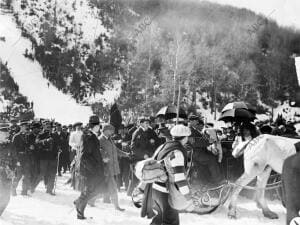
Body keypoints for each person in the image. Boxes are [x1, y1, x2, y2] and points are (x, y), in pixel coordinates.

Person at [148, 124, 194, 225]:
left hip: (155, 188)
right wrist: (188, 197)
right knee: (170, 221)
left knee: (159, 219)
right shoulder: (177, 152)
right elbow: (179, 179)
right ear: (185, 137)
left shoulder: (163, 146)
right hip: (167, 192)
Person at [74, 115, 107, 220]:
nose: (100, 127)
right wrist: (93, 169)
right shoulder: (89, 136)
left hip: (92, 168)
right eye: (99, 125)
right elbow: (84, 156)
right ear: (95, 126)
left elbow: (92, 152)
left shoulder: (91, 135)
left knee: (92, 189)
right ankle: (80, 211)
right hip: (89, 169)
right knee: (89, 190)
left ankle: (79, 202)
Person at [99, 124, 129, 211]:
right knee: (112, 186)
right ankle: (116, 206)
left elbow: (116, 150)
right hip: (106, 168)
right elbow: (98, 150)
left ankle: (98, 200)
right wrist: (103, 156)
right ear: (105, 130)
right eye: (111, 130)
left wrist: (125, 154)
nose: (112, 132)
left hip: (112, 166)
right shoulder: (100, 139)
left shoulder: (109, 139)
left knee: (102, 186)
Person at [188, 115, 224, 187]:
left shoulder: (193, 130)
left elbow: (200, 140)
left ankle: (209, 180)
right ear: (191, 121)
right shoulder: (190, 130)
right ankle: (218, 180)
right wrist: (208, 142)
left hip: (200, 152)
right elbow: (194, 143)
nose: (197, 122)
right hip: (195, 153)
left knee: (213, 156)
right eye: (196, 121)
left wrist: (207, 140)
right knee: (212, 160)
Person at [127, 116, 159, 196]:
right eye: (146, 123)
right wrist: (143, 154)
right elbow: (133, 147)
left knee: (144, 177)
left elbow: (155, 142)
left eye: (148, 123)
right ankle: (132, 195)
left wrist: (153, 142)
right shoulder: (137, 132)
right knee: (136, 178)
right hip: (138, 158)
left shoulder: (150, 131)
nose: (148, 124)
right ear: (141, 124)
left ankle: (140, 194)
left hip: (147, 158)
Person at [32, 121, 58, 195]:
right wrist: (45, 141)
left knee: (52, 174)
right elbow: (36, 143)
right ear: (43, 126)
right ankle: (32, 187)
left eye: (49, 126)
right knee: (41, 174)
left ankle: (49, 190)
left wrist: (58, 149)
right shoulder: (40, 135)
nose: (48, 127)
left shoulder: (54, 135)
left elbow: (57, 144)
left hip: (52, 157)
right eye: (46, 126)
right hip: (43, 157)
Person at [0, 123, 17, 216]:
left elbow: (15, 159)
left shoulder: (10, 145)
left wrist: (13, 170)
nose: (7, 134)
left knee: (6, 198)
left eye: (7, 132)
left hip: (7, 174)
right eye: (4, 132)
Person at [11, 121, 31, 196]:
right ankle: (13, 189)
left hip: (26, 158)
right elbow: (13, 150)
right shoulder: (16, 136)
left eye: (26, 127)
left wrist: (30, 147)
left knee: (27, 175)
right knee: (18, 175)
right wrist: (17, 160)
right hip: (19, 158)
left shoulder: (27, 136)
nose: (26, 128)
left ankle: (24, 191)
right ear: (21, 127)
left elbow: (28, 146)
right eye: (24, 126)